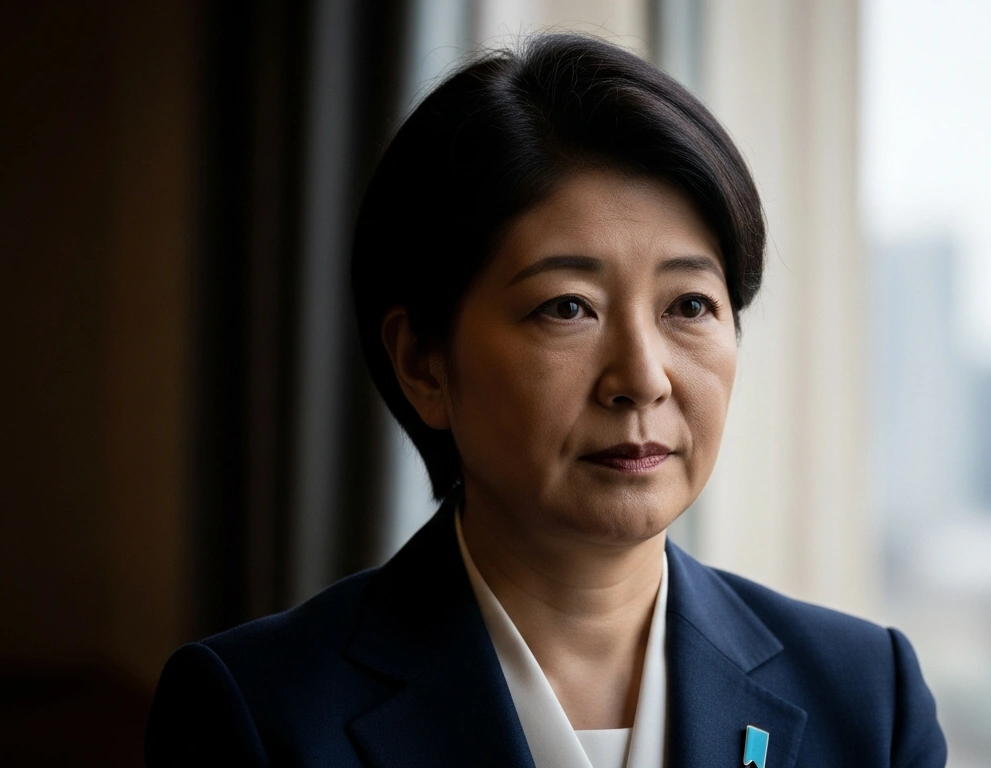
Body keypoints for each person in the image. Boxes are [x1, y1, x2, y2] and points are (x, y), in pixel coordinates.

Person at [145, 32, 946, 768]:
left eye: (690, 306)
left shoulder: (869, 700)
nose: (643, 376)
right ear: (424, 363)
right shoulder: (257, 714)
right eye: (567, 307)